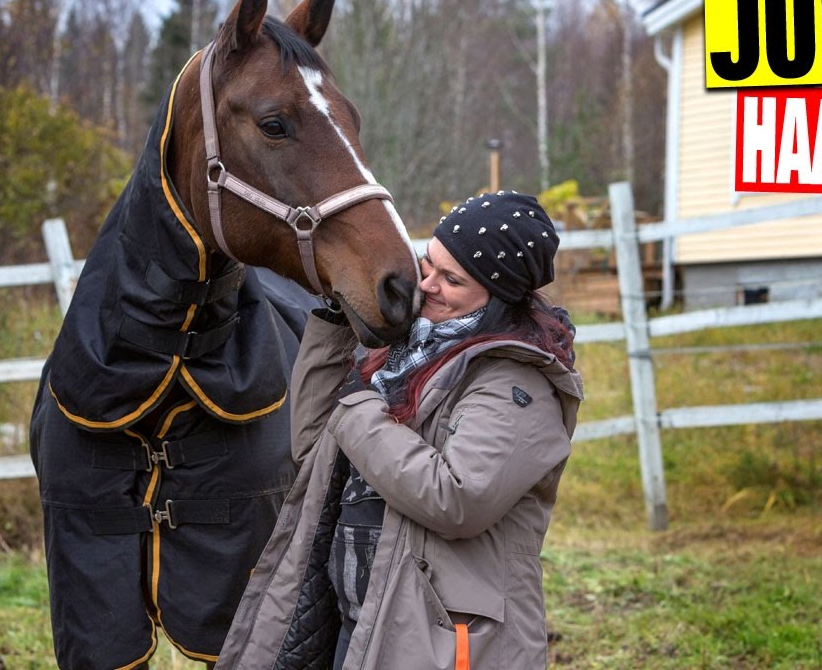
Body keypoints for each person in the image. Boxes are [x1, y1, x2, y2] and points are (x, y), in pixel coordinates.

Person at [217, 192, 583, 670]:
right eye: (428, 263)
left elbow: (456, 499)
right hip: (365, 618)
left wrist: (357, 404)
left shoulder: (515, 384)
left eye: (451, 279)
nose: (426, 284)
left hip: (442, 643)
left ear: (501, 297)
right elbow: (315, 450)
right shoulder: (409, 353)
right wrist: (335, 329)